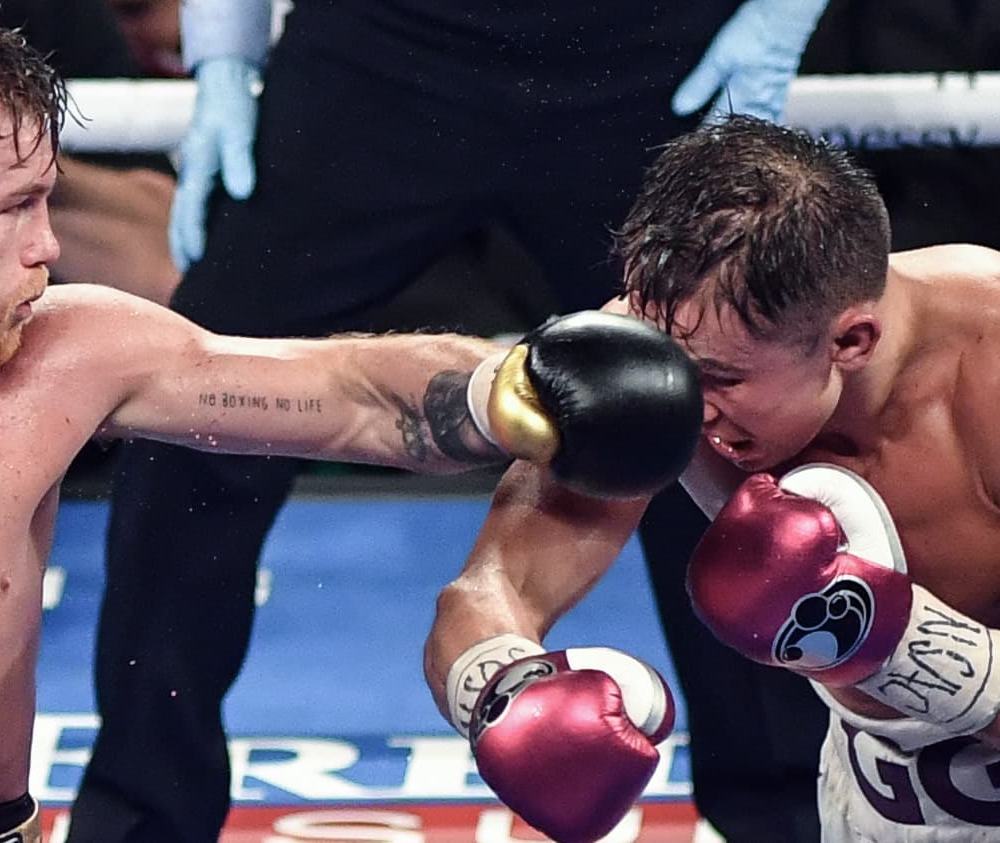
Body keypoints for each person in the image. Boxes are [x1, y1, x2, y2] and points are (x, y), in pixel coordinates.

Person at [0, 2, 706, 839]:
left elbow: (350, 395)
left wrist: (517, 388)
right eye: (17, 207)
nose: (50, 245)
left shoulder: (63, 352)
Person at [79, 1, 834, 841]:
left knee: (704, 404)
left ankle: (788, 816)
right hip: (386, 48)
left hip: (642, 52)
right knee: (200, 404)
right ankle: (141, 817)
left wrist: (780, 14)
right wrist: (223, 55)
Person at [426, 114, 1000, 842]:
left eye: (720, 378)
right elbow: (489, 589)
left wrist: (903, 646)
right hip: (877, 806)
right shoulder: (657, 355)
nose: (684, 409)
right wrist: (502, 685)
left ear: (850, 341)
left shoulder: (988, 367)